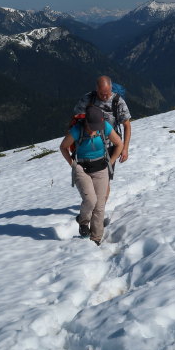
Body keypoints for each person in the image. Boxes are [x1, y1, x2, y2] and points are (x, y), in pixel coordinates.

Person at [60, 105, 123, 245]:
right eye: (92, 126)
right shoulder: (77, 130)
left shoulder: (104, 126)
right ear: (86, 121)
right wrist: (73, 165)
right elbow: (63, 147)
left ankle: (95, 239)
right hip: (82, 168)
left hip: (101, 168)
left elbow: (119, 143)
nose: (94, 129)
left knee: (100, 206)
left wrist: (110, 163)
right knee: (90, 200)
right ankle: (83, 222)